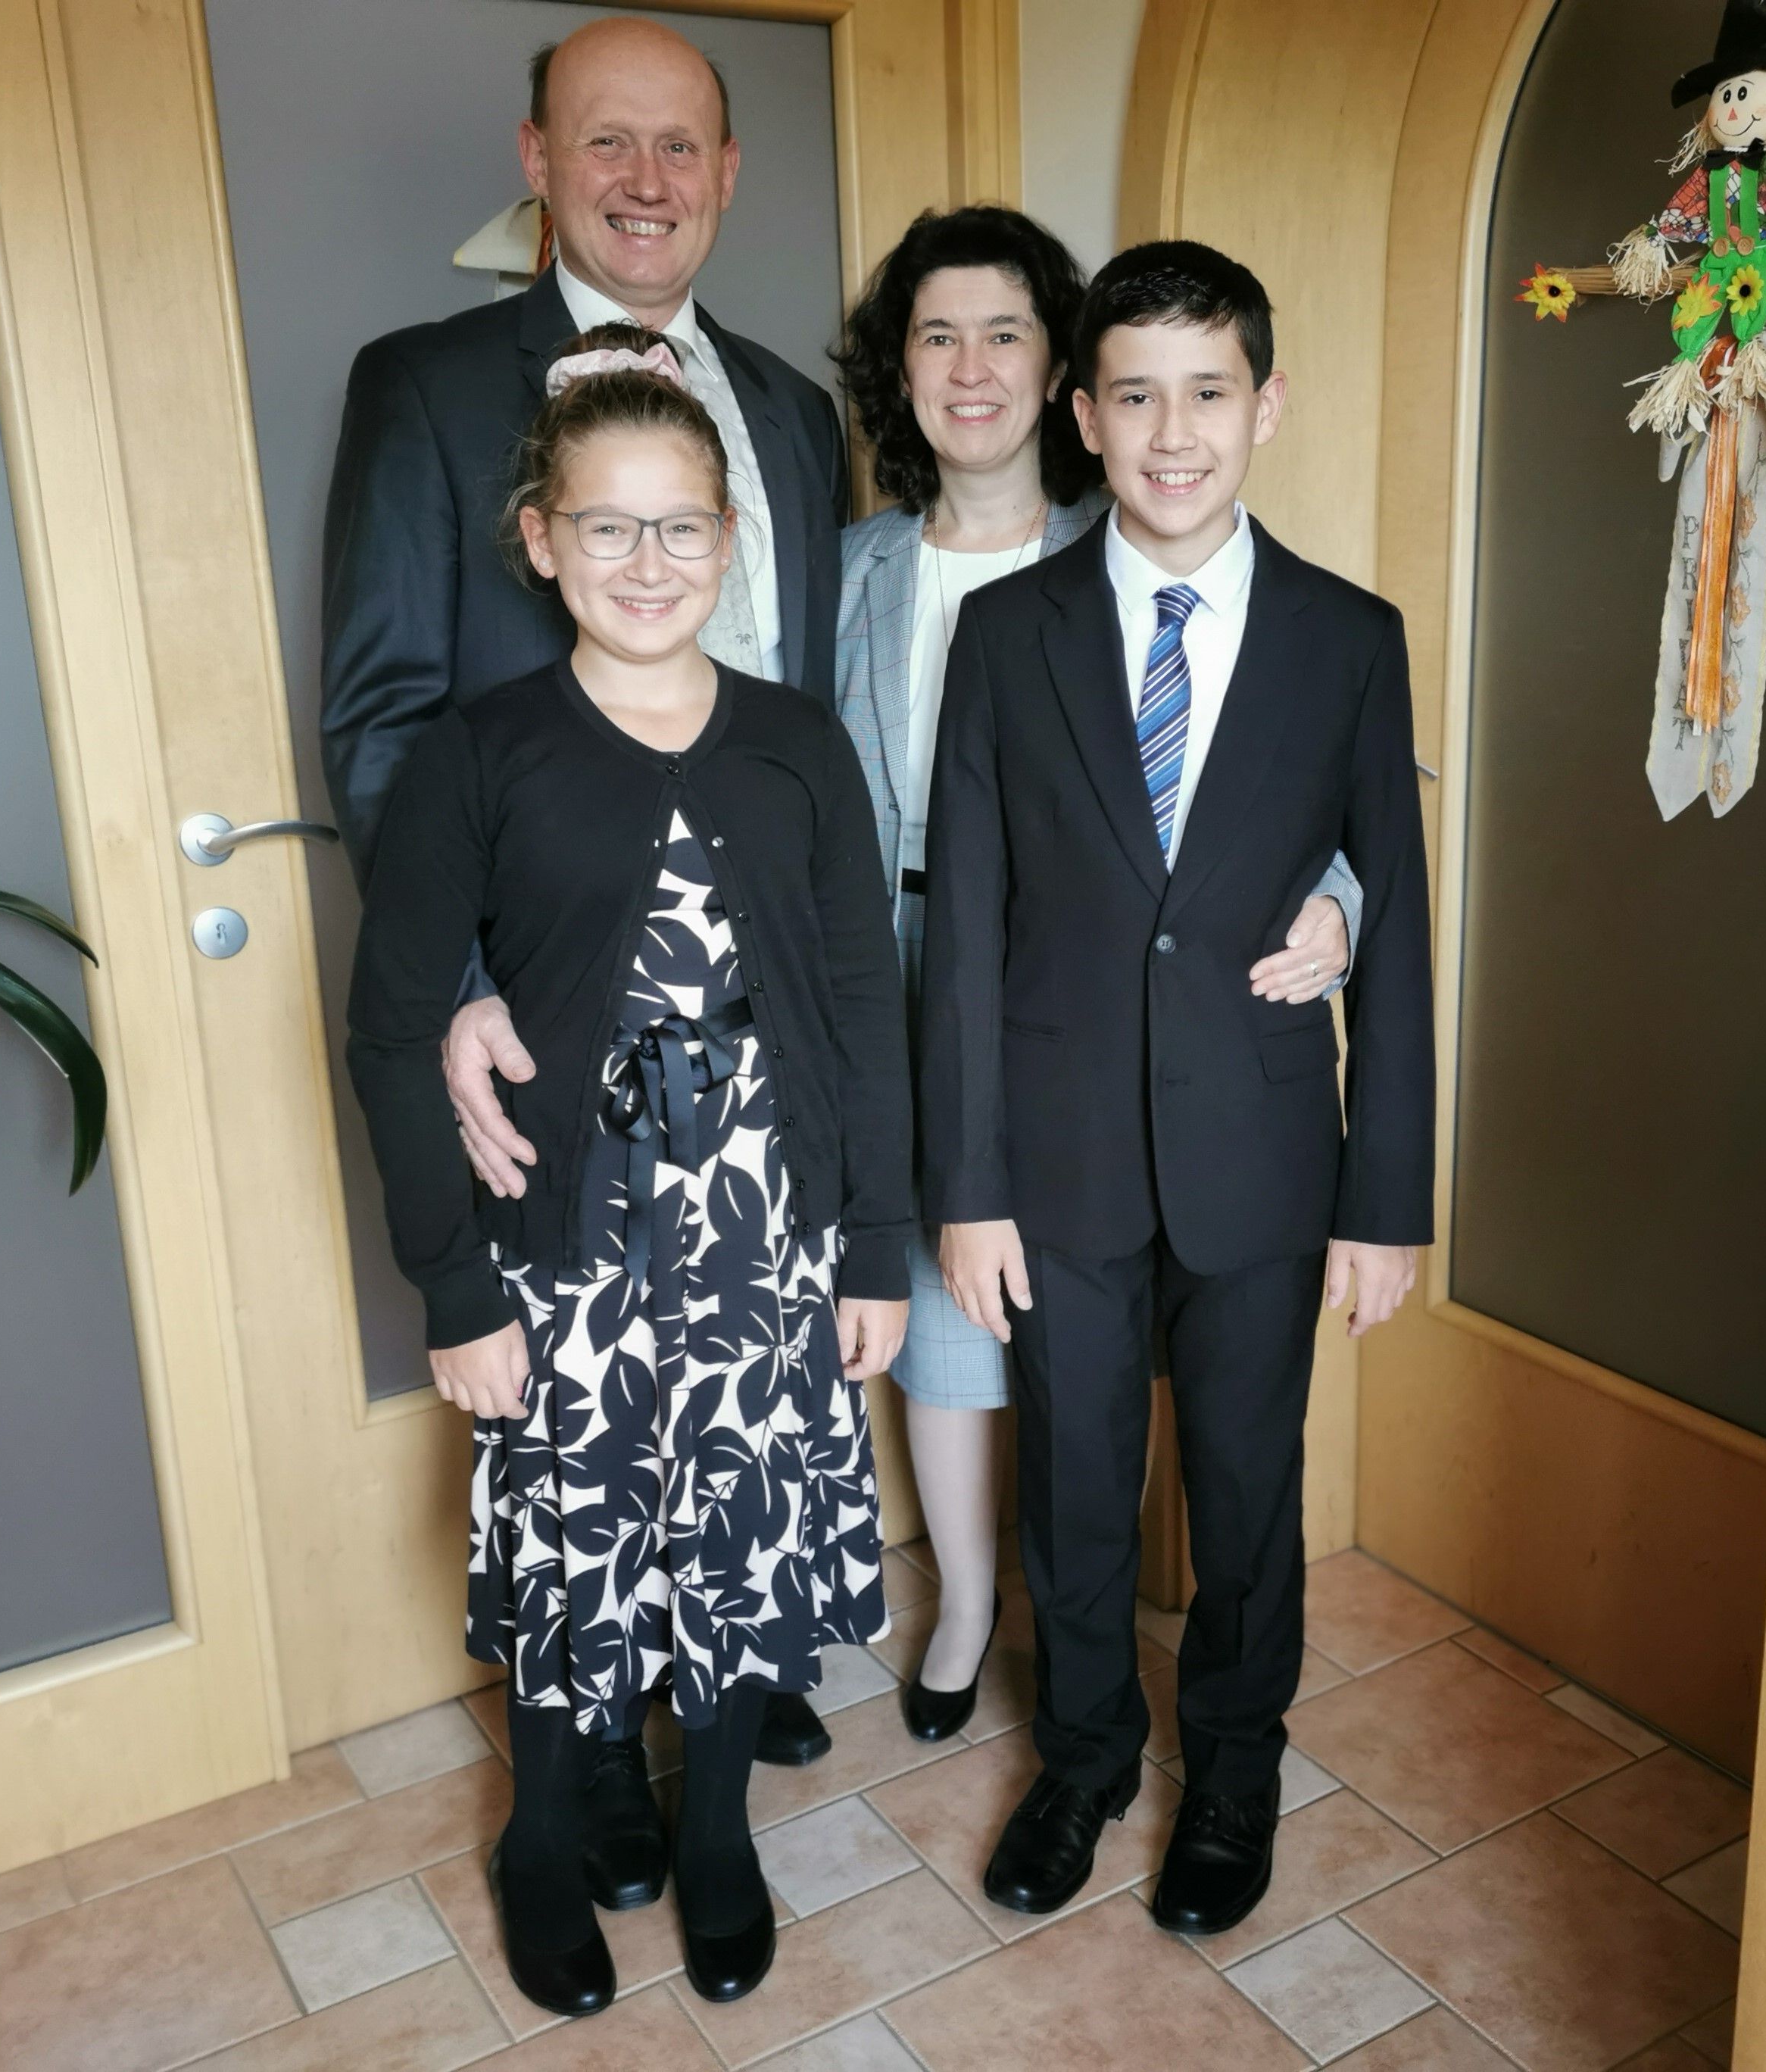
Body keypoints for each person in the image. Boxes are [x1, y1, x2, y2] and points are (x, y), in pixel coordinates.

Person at [321, 12, 845, 1898]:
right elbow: (386, 714)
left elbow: (806, 719)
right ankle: (586, 1784)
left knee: (721, 1448)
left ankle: (715, 1710)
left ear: (725, 175)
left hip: (760, 1050)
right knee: (570, 1443)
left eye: (682, 147)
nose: (646, 180)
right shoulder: (434, 384)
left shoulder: (791, 408)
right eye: (604, 142)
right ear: (535, 158)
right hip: (546, 1021)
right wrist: (457, 982)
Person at [345, 330, 911, 2016]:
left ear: (730, 539)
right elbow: (390, 1038)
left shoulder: (799, 744)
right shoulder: (477, 755)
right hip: (569, 1251)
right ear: (540, 539)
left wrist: (873, 1241)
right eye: (606, 526)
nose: (645, 563)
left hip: (762, 1239)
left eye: (680, 527)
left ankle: (718, 1831)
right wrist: (454, 1284)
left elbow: (861, 995)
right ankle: (544, 1839)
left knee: (736, 1541)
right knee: (578, 1547)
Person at [921, 241, 1434, 1936]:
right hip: (1053, 1163)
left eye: (1206, 392)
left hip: (1265, 1158)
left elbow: (1398, 914)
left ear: (1263, 405)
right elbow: (973, 925)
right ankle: (1081, 1763)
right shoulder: (1005, 637)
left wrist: (1386, 1203)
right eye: (1131, 394)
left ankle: (1230, 1768)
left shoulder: (1351, 640)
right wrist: (966, 1183)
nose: (1170, 432)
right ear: (1081, 413)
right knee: (1070, 1488)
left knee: (1244, 1494)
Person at [830, 207, 1361, 1737]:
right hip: (900, 959)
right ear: (902, 369)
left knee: (1141, 1363)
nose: (969, 364)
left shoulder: (1138, 538)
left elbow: (1311, 791)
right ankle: (978, 1616)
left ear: (1059, 373)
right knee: (953, 1299)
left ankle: (1179, 1702)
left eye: (1004, 331)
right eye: (936, 334)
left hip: (1100, 985)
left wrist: (1336, 900)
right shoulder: (856, 568)